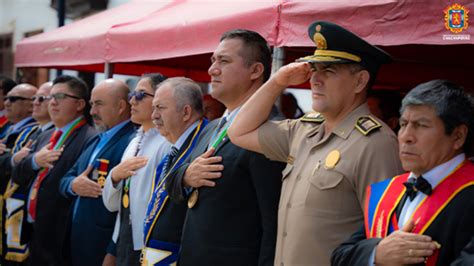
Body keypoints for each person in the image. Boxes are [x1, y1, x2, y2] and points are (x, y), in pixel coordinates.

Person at [227, 21, 404, 265]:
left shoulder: (376, 142)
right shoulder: (304, 130)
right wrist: (277, 81)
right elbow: (238, 131)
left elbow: (382, 233)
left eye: (329, 71)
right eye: (314, 70)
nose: (315, 80)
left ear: (360, 81)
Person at [166, 29, 284, 266]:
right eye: (213, 60)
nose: (212, 69)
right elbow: (170, 180)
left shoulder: (272, 132)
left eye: (224, 61)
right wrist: (187, 176)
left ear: (256, 70)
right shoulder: (212, 127)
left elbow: (274, 225)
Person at [331, 80, 474, 266]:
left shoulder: (469, 192)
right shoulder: (389, 190)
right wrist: (377, 253)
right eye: (404, 124)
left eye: (421, 125)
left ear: (457, 136)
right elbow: (340, 257)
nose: (406, 136)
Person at [12, 75, 96, 265]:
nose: (52, 102)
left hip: (61, 236)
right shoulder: (45, 135)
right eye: (50, 97)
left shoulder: (89, 138)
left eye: (60, 96)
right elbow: (18, 175)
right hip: (35, 231)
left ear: (80, 104)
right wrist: (34, 161)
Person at [58, 79, 135, 266]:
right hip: (77, 242)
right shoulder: (96, 139)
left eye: (99, 104)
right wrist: (73, 185)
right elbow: (65, 180)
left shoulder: (131, 143)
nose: (92, 112)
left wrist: (113, 250)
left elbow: (129, 207)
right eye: (92, 104)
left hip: (102, 247)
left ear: (120, 106)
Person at [102, 74, 170, 266]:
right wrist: (114, 176)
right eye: (133, 94)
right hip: (125, 237)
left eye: (140, 95)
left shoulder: (167, 143)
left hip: (149, 241)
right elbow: (114, 204)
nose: (132, 100)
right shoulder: (133, 142)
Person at [142, 77, 208, 265]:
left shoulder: (204, 144)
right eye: (153, 108)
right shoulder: (172, 150)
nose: (153, 115)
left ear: (186, 112)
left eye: (160, 108)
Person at [2, 81, 54, 263]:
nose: (35, 103)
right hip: (12, 209)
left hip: (33, 217)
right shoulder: (31, 131)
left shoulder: (55, 133)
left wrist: (19, 161)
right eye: (34, 99)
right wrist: (16, 160)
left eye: (42, 98)